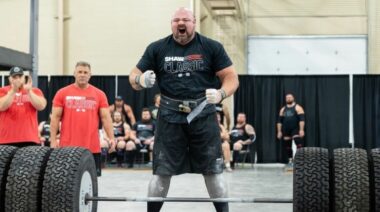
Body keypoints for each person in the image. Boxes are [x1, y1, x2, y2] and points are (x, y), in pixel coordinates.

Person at [129, 7, 239, 212]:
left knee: (214, 171)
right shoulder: (157, 48)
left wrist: (221, 94)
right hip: (169, 118)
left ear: (194, 22)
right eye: (176, 20)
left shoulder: (211, 47)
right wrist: (140, 79)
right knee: (161, 173)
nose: (181, 23)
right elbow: (133, 76)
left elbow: (232, 77)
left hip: (203, 116)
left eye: (185, 20)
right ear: (171, 23)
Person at [50, 61, 116, 176]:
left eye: (85, 72)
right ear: (74, 73)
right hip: (67, 147)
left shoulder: (99, 94)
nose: (82, 74)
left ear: (90, 75)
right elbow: (55, 118)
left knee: (91, 182)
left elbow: (106, 118)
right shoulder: (62, 93)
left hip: (92, 147)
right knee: (66, 180)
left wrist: (111, 138)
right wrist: (52, 140)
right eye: (80, 72)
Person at [0, 66, 47, 147]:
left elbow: (41, 106)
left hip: (29, 139)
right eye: (14, 77)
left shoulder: (35, 91)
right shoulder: (2, 91)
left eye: (20, 76)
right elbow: (2, 106)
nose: (18, 79)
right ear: (10, 79)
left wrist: (29, 92)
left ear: (24, 78)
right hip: (6, 139)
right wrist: (13, 91)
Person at [276, 93, 305, 168]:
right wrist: (279, 131)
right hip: (286, 129)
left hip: (295, 128)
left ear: (293, 98)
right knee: (287, 145)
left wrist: (301, 130)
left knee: (297, 141)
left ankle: (300, 159)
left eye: (290, 97)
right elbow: (279, 121)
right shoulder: (283, 109)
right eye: (287, 98)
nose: (288, 99)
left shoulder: (298, 107)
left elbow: (302, 119)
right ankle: (290, 160)